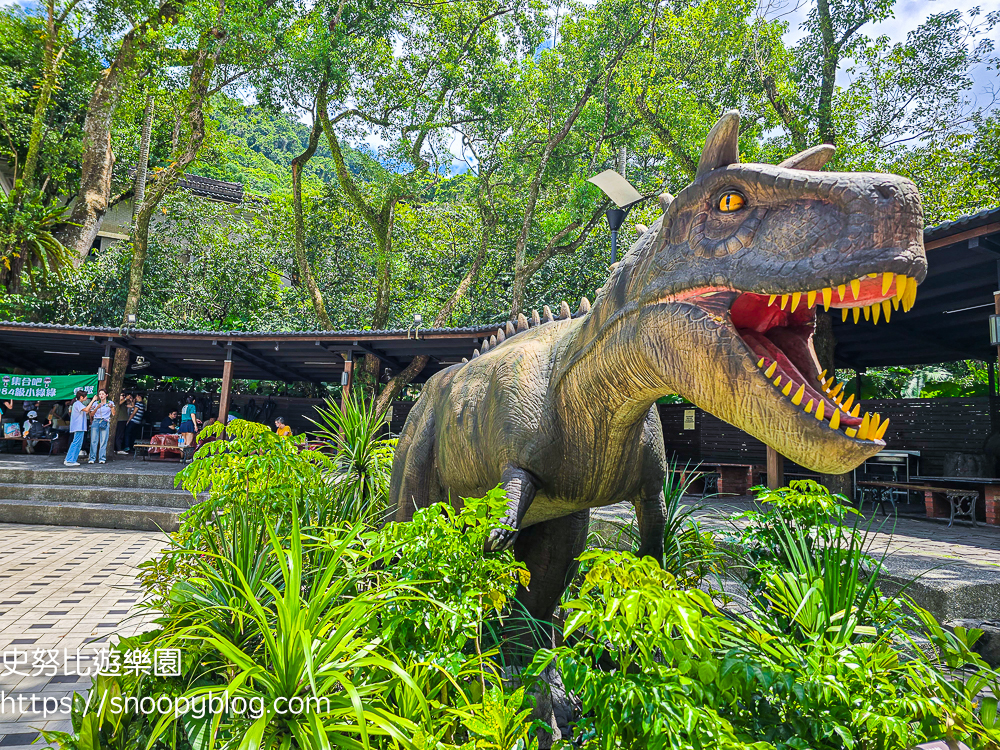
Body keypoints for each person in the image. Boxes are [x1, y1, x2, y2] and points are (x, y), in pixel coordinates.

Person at [85, 388, 115, 464]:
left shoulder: (110, 403)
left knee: (103, 440)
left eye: (103, 394)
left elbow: (114, 414)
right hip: (96, 421)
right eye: (100, 394)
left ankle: (102, 458)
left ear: (106, 395)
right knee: (94, 440)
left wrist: (111, 407)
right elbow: (91, 414)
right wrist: (97, 407)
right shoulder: (95, 403)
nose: (101, 395)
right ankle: (92, 458)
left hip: (105, 421)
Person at [64, 390, 89, 466]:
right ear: (81, 397)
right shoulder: (77, 403)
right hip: (78, 427)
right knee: (76, 443)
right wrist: (93, 400)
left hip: (80, 427)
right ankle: (69, 459)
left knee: (78, 443)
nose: (87, 398)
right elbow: (86, 410)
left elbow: (86, 411)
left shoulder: (78, 404)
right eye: (85, 396)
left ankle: (72, 459)